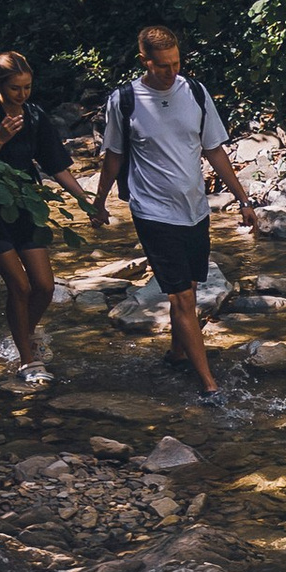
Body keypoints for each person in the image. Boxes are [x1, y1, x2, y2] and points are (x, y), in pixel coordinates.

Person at [89, 25, 258, 399]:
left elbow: (214, 150)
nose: (171, 72)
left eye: (176, 63)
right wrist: (99, 201)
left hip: (195, 210)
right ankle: (209, 385)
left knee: (191, 290)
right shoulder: (125, 100)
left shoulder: (195, 92)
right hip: (152, 211)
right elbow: (114, 155)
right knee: (182, 298)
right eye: (163, 66)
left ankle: (177, 354)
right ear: (144, 61)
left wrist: (243, 199)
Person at [0, 51, 95, 380]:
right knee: (19, 286)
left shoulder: (35, 115)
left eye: (28, 87)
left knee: (44, 287)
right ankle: (26, 359)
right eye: (16, 88)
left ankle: (21, 335)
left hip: (24, 205)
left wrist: (86, 201)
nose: (22, 94)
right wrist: (0, 138)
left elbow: (56, 165)